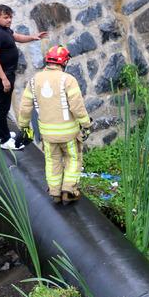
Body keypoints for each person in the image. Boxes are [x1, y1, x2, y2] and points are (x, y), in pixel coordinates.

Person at [17, 45, 91, 204]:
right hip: (69, 134)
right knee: (73, 159)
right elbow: (77, 107)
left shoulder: (34, 81)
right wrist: (86, 124)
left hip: (48, 135)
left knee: (52, 161)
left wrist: (23, 125)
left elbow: (25, 106)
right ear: (64, 62)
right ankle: (69, 190)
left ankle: (55, 193)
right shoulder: (68, 80)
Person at [0, 4, 47, 150]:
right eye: (6, 18)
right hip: (2, 76)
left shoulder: (3, 29)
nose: (9, 20)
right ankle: (3, 139)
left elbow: (15, 37)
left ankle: (3, 133)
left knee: (3, 105)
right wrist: (4, 79)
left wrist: (33, 37)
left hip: (6, 74)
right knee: (2, 106)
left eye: (10, 17)